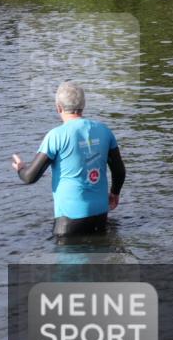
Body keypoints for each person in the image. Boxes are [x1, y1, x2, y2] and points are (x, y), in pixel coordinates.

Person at [12, 81, 126, 237]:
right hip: (100, 215)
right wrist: (114, 193)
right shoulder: (104, 131)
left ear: (58, 107)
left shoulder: (56, 136)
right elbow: (119, 171)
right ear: (83, 105)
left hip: (70, 221)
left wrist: (20, 168)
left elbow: (30, 177)